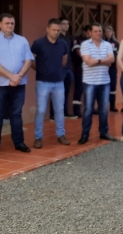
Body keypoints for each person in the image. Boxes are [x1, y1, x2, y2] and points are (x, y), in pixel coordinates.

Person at [0, 13, 33, 156]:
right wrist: (11, 76)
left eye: (12, 23)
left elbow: (28, 60)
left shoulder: (22, 40)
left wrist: (18, 77)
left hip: (19, 83)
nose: (10, 26)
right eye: (7, 23)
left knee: (16, 114)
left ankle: (19, 143)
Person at [31, 18, 70, 149]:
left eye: (58, 30)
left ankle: (61, 135)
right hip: (42, 81)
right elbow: (31, 60)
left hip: (58, 82)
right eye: (54, 30)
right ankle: (38, 137)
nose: (56, 32)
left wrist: (58, 71)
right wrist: (41, 70)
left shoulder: (63, 44)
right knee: (41, 110)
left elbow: (64, 59)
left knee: (59, 109)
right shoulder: (38, 43)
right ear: (47, 29)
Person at [78, 23, 117, 144]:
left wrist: (98, 60)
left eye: (100, 31)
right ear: (90, 33)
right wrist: (103, 61)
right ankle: (85, 135)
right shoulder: (85, 44)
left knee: (104, 110)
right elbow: (88, 61)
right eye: (96, 31)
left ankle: (104, 132)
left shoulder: (107, 45)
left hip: (104, 81)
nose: (98, 33)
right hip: (89, 81)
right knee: (89, 109)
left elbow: (112, 60)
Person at [49, 17, 76, 120]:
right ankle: (53, 114)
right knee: (56, 91)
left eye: (67, 24)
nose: (66, 26)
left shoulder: (70, 38)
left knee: (66, 91)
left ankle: (64, 112)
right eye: (64, 24)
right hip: (59, 68)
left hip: (69, 67)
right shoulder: (57, 38)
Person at [72, 25, 92, 117]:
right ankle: (76, 110)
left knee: (90, 89)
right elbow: (77, 52)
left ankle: (89, 109)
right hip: (80, 67)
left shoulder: (93, 41)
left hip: (91, 68)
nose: (89, 34)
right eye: (88, 32)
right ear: (84, 31)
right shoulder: (77, 40)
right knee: (79, 88)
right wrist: (88, 58)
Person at [104, 25, 120, 113]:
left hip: (113, 68)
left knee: (113, 87)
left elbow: (118, 55)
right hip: (103, 67)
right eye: (106, 32)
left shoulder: (116, 43)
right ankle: (103, 106)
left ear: (112, 32)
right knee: (104, 86)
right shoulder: (101, 42)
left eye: (109, 32)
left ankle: (112, 105)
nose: (108, 33)